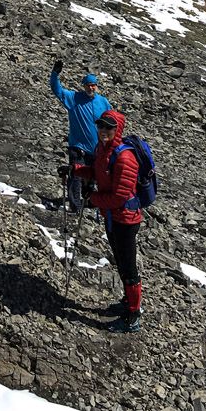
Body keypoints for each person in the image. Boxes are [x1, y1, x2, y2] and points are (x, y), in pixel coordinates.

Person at [77, 110, 144, 332]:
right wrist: (76, 171)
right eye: (101, 126)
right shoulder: (103, 150)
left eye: (109, 127)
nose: (103, 130)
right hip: (113, 217)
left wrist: (93, 199)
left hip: (125, 219)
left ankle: (133, 316)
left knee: (128, 266)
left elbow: (119, 196)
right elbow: (99, 174)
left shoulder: (125, 158)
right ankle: (128, 303)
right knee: (121, 261)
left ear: (118, 130)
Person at [49, 61, 110, 210]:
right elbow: (57, 90)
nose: (91, 87)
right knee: (76, 174)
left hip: (96, 147)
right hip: (78, 146)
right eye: (88, 84)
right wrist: (55, 74)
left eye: (93, 84)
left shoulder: (103, 102)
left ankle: (88, 201)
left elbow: (111, 121)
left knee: (92, 176)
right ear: (84, 85)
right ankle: (75, 205)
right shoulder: (74, 98)